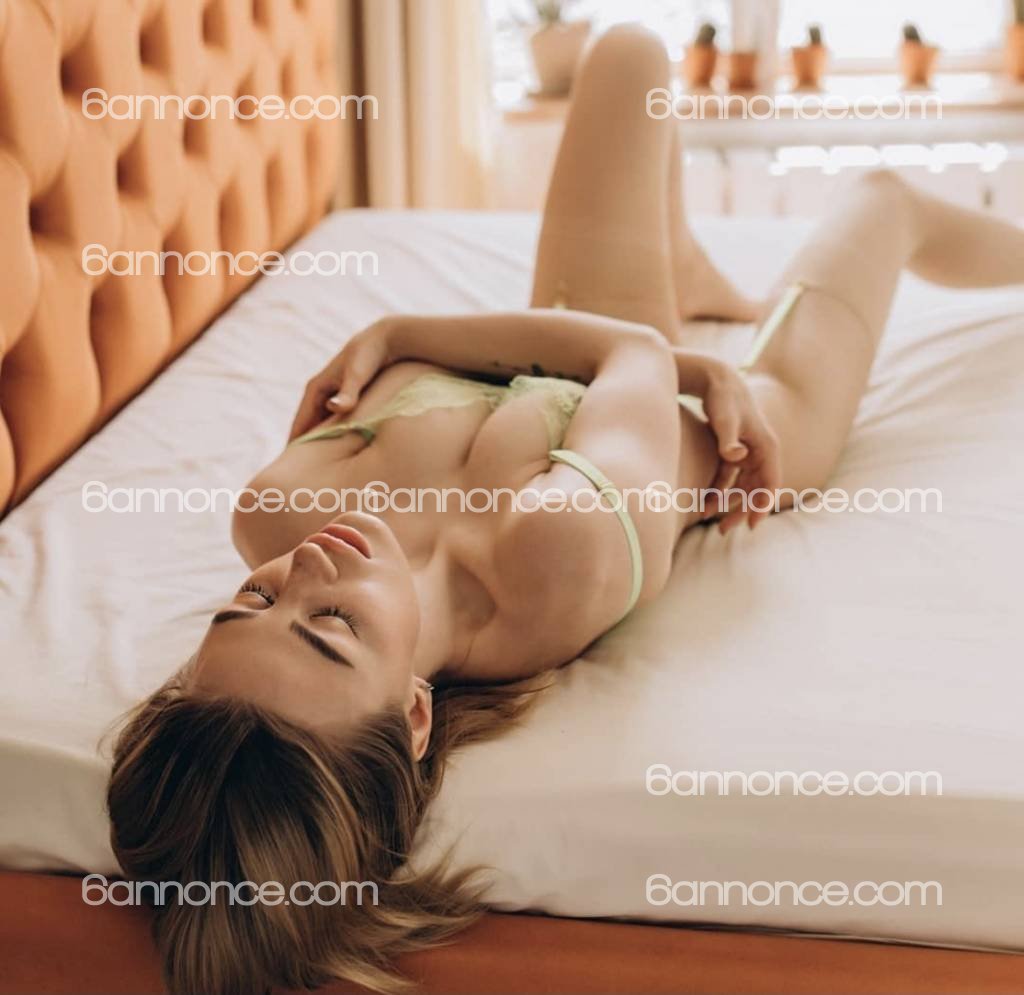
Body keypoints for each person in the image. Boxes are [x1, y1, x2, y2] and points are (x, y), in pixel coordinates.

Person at [107, 25, 1024, 995]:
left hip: (595, 370)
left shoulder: (276, 509)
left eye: (248, 603)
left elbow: (604, 354)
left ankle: (683, 265)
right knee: (880, 201)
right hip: (745, 435)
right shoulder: (552, 558)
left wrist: (433, 337)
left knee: (626, 53)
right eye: (330, 626)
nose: (305, 570)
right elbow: (630, 353)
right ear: (412, 713)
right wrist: (411, 332)